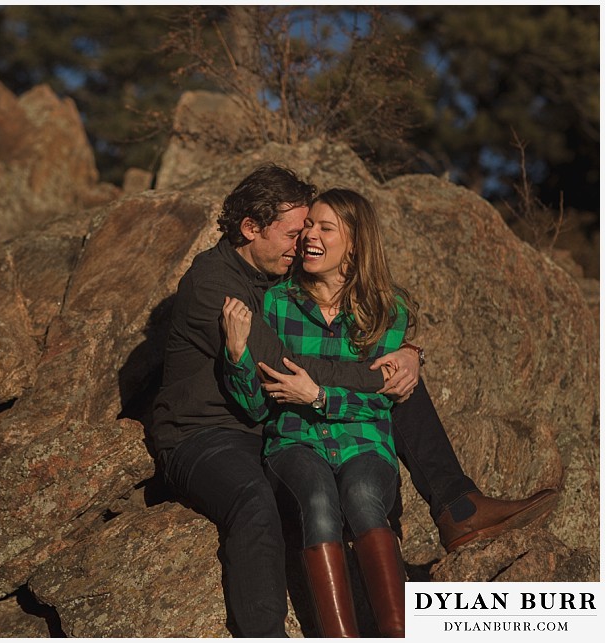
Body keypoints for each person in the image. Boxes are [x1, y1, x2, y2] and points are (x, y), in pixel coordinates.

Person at [149, 164, 558, 638]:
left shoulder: (277, 271)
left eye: (311, 230)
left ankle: (455, 506)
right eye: (292, 233)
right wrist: (378, 370)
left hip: (265, 424)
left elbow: (338, 332)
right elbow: (282, 367)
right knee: (254, 500)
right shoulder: (212, 283)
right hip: (207, 435)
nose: (301, 243)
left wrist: (407, 354)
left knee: (397, 393)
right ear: (250, 228)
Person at [222, 188, 415, 637]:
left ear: (355, 243)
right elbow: (256, 403)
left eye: (325, 228)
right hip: (294, 442)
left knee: (365, 499)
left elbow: (384, 396)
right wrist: (237, 355)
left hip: (365, 442)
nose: (309, 235)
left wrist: (319, 397)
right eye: (309, 225)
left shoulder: (388, 310)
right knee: (319, 501)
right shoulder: (276, 303)